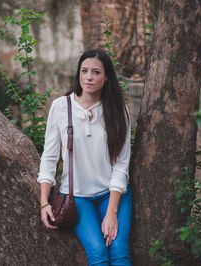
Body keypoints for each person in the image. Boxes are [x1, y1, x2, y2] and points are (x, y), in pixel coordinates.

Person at [38, 48, 132, 265]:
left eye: (96, 72)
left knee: (119, 251)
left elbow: (121, 164)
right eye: (84, 70)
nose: (89, 77)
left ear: (107, 77)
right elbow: (49, 158)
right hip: (77, 198)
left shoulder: (119, 111)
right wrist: (44, 203)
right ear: (79, 74)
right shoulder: (61, 107)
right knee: (98, 253)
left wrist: (112, 212)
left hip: (113, 193)